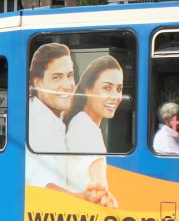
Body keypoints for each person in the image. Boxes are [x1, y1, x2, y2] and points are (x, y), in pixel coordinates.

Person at [64, 56, 124, 208]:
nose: (115, 97)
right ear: (88, 90)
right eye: (107, 88)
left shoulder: (79, 122)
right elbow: (101, 196)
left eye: (119, 89)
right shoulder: (87, 129)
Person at [26, 43, 75, 189]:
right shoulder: (39, 124)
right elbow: (46, 185)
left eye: (70, 75)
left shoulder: (51, 120)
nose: (67, 85)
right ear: (38, 83)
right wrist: (83, 197)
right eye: (57, 77)